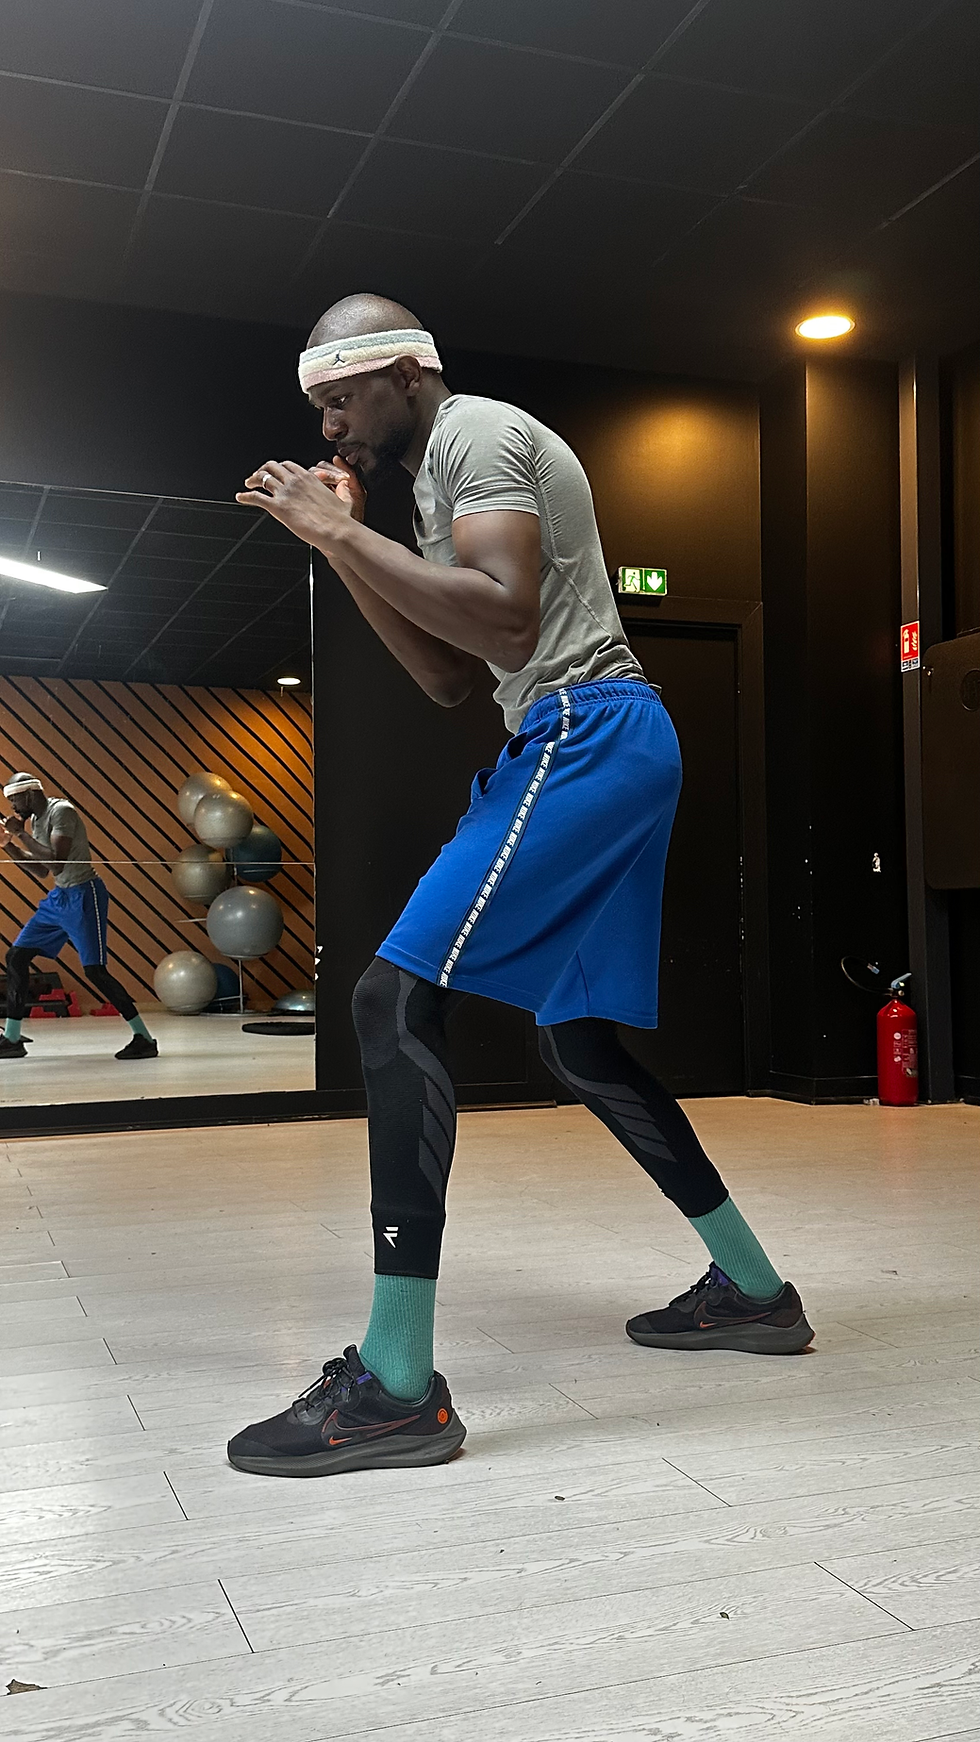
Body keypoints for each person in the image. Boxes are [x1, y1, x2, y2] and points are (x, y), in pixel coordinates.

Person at [226, 294, 812, 1479]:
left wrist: (338, 533)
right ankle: (755, 1292)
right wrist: (341, 544)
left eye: (337, 396)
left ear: (399, 372)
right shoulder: (433, 482)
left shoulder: (476, 433)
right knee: (580, 1044)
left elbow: (506, 620)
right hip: (584, 736)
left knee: (388, 1002)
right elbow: (449, 675)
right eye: (318, 407)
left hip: (582, 733)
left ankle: (394, 1390)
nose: (330, 421)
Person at [0, 773, 158, 1062]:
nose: (12, 807)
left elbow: (58, 862)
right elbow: (42, 870)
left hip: (85, 896)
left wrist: (20, 834)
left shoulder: (62, 812)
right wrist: (7, 845)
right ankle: (11, 1038)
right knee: (16, 957)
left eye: (14, 799)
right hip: (58, 899)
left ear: (30, 793)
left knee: (95, 972)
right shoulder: (36, 821)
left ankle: (144, 1038)